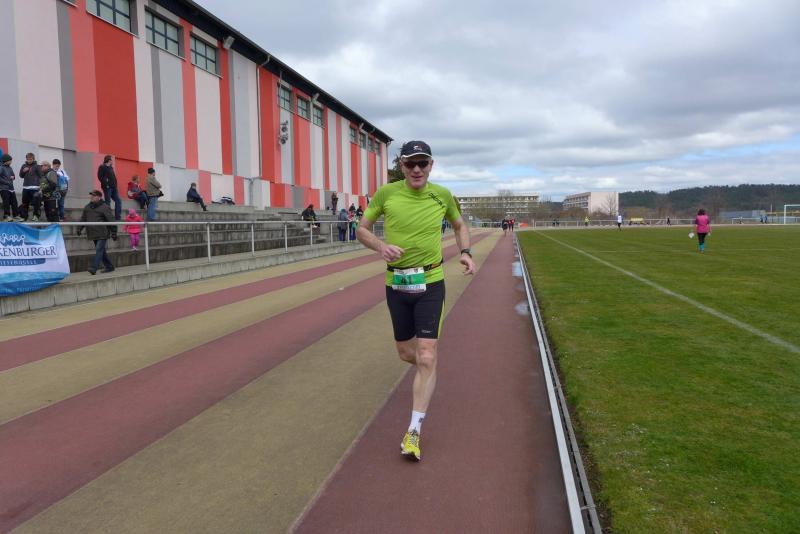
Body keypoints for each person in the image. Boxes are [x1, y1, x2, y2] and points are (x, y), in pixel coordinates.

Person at [356, 140, 475, 462]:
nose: (417, 169)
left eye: (423, 163)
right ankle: (428, 369)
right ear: (402, 166)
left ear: (431, 165)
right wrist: (380, 246)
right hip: (397, 283)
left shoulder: (442, 195)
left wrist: (465, 252)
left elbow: (459, 224)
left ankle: (413, 431)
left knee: (426, 354)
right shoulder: (386, 193)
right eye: (411, 163)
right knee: (407, 353)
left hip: (431, 281)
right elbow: (362, 228)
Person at [77, 190, 117, 274]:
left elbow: (111, 219)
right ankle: (109, 266)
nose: (91, 197)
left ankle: (94, 268)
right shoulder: (87, 207)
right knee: (101, 251)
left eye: (94, 195)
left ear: (99, 197)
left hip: (102, 232)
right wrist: (79, 228)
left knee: (99, 249)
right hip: (93, 232)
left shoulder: (105, 207)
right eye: (91, 195)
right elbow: (83, 218)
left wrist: (114, 232)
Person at [19, 153, 42, 221]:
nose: (29, 160)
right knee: (25, 203)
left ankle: (36, 216)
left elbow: (41, 176)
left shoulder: (37, 166)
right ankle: (24, 217)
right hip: (26, 187)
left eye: (30, 159)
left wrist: (40, 188)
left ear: (33, 159)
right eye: (28, 159)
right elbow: (21, 175)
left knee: (36, 203)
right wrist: (23, 171)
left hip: (35, 188)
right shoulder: (23, 166)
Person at [97, 155, 122, 220]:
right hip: (107, 188)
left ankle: (118, 217)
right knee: (108, 202)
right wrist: (106, 184)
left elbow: (113, 177)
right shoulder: (102, 167)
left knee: (118, 201)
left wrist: (115, 185)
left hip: (114, 188)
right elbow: (100, 177)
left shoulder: (111, 167)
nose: (112, 161)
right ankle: (108, 217)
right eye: (111, 160)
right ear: (108, 160)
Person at [0, 154, 22, 222]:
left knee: (14, 202)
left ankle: (16, 216)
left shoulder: (10, 168)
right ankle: (6, 216)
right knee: (6, 203)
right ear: (6, 161)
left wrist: (13, 177)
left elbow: (13, 176)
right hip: (4, 188)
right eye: (10, 160)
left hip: (11, 188)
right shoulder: (1, 167)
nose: (11, 162)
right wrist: (7, 182)